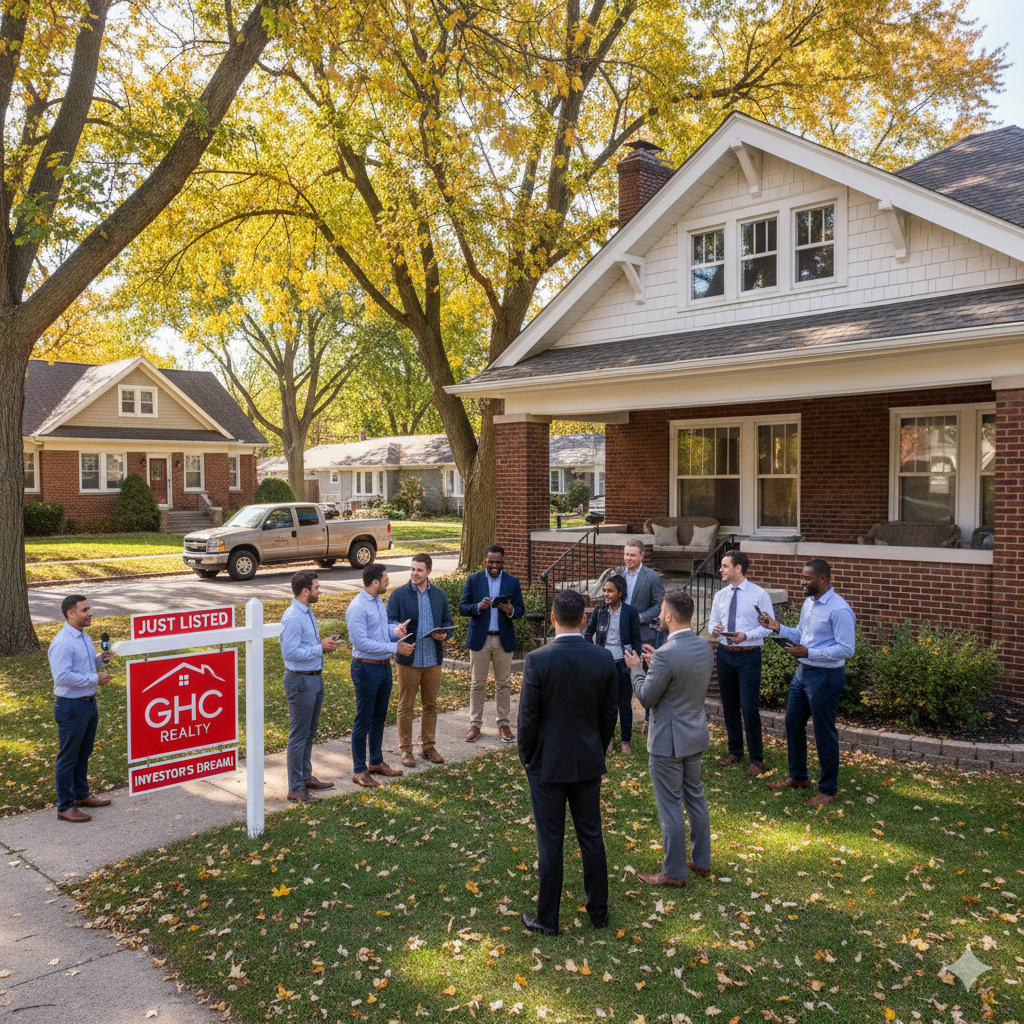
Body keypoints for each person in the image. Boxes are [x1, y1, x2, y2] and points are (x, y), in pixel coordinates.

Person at [517, 589, 618, 934]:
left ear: (553, 619)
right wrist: (598, 746)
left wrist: (527, 757)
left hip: (547, 764)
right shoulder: (603, 658)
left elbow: (527, 719)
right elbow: (609, 716)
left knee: (551, 841)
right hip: (587, 760)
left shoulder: (538, 659)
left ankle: (548, 920)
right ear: (584, 620)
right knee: (591, 835)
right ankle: (599, 913)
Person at [624, 590, 713, 887]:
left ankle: (673, 873)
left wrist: (637, 670)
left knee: (671, 805)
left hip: (668, 743)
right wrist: (654, 666)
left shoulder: (666, 654)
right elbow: (680, 682)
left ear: (670, 616)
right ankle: (701, 862)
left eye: (662, 611)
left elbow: (648, 697)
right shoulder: (704, 647)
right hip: (695, 735)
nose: (659, 616)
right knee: (695, 798)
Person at [757, 559, 856, 808]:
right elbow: (803, 634)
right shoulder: (809, 603)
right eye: (802, 577)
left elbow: (847, 649)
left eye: (807, 578)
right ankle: (799, 777)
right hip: (803, 673)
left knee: (824, 732)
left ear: (823, 579)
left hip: (826, 677)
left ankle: (828, 790)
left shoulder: (839, 609)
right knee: (792, 724)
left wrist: (809, 653)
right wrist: (777, 627)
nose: (802, 582)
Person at [345, 563, 414, 788]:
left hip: (383, 667)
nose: (387, 581)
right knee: (363, 720)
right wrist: (396, 648)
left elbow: (378, 631)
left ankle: (375, 762)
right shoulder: (357, 607)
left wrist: (394, 632)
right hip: (365, 668)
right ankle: (359, 770)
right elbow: (361, 642)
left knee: (379, 718)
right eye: (385, 578)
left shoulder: (377, 601)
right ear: (375, 581)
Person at [708, 551, 775, 776]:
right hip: (725, 655)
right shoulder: (720, 595)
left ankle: (756, 758)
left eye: (725, 566)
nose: (720, 569)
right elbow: (712, 624)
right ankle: (735, 751)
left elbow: (768, 627)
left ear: (738, 568)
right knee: (729, 706)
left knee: (748, 708)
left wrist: (746, 635)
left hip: (748, 656)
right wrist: (714, 630)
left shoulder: (759, 594)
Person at [48, 594, 114, 823]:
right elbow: (63, 676)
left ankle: (80, 795)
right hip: (71, 707)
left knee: (83, 753)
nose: (90, 613)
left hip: (87, 703)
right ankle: (65, 807)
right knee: (68, 757)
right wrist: (95, 678)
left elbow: (82, 665)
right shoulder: (62, 642)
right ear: (70, 613)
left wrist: (99, 660)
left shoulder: (83, 637)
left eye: (89, 609)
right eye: (84, 610)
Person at [387, 553, 455, 768]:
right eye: (412, 569)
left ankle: (428, 746)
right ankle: (405, 749)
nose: (414, 573)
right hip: (409, 659)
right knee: (406, 706)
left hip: (433, 659)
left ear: (428, 572)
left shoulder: (439, 595)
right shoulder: (398, 595)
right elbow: (389, 623)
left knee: (430, 705)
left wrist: (445, 634)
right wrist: (397, 630)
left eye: (419, 570)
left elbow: (447, 622)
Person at [279, 570, 340, 803]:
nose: (319, 590)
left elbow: (304, 645)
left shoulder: (306, 612)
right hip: (300, 680)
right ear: (305, 591)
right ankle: (295, 788)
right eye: (316, 587)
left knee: (309, 733)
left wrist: (321, 644)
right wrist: (319, 648)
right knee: (299, 735)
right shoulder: (293, 617)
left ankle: (305, 777)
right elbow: (290, 653)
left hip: (314, 677)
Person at [459, 545, 525, 743]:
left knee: (503, 684)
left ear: (503, 562)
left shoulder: (512, 582)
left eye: (498, 562)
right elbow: (463, 607)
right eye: (491, 562)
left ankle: (503, 724)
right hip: (481, 638)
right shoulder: (474, 579)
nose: (494, 566)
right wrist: (477, 607)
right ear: (484, 561)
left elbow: (521, 609)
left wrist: (511, 610)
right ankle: (475, 725)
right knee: (477, 684)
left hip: (503, 640)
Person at [583, 574, 642, 756]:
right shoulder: (599, 611)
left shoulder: (630, 612)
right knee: (605, 703)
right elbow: (588, 634)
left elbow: (636, 638)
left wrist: (635, 658)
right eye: (604, 590)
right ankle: (609, 739)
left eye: (610, 591)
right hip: (603, 662)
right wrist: (593, 653)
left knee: (624, 703)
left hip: (623, 663)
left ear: (620, 593)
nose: (606, 594)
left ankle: (626, 741)